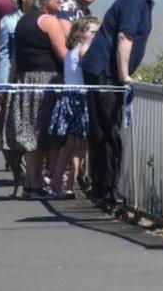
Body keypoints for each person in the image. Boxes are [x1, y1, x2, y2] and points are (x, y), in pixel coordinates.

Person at [82, 0, 162, 206]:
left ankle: (103, 187)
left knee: (105, 130)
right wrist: (125, 75)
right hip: (105, 73)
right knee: (108, 131)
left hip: (104, 72)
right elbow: (124, 38)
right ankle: (106, 189)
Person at [3, 0, 68, 198]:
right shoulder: (49, 21)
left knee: (32, 138)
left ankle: (31, 183)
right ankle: (39, 184)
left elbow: (16, 59)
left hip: (25, 82)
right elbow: (64, 56)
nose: (61, 1)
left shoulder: (22, 21)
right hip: (46, 82)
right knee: (44, 136)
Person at [49, 16, 100, 197]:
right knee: (80, 146)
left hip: (69, 97)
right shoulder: (84, 50)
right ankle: (70, 184)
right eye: (93, 32)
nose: (96, 36)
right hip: (80, 99)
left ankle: (56, 182)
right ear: (82, 33)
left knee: (70, 145)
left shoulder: (71, 51)